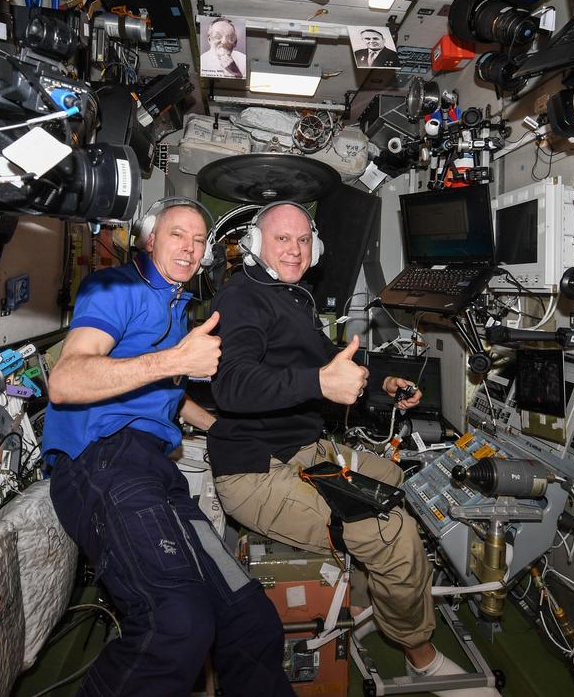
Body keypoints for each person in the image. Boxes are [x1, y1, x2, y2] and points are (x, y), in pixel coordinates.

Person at [207, 201, 498, 695]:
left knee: (396, 481)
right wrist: (319, 380)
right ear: (256, 245)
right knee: (394, 534)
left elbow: (329, 358)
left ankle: (365, 603)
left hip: (304, 451)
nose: (295, 250)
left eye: (303, 240)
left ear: (316, 246)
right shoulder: (242, 299)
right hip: (257, 473)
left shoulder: (291, 298)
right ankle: (420, 657)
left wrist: (384, 380)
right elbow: (231, 385)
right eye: (282, 240)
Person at [43, 197, 293, 697]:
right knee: (177, 623)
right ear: (149, 238)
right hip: (103, 461)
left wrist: (219, 428)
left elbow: (164, 397)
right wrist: (176, 358)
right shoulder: (115, 288)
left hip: (154, 473)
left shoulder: (177, 309)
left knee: (249, 619)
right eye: (178, 234)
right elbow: (66, 381)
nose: (190, 247)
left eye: (199, 241)